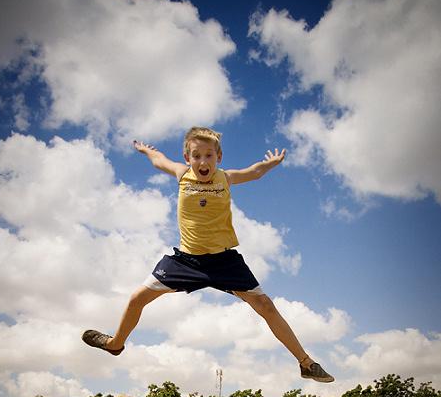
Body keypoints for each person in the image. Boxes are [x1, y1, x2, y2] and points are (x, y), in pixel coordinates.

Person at [82, 126, 334, 382]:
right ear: (187, 159)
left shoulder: (226, 178)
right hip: (186, 261)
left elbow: (254, 172)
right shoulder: (182, 175)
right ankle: (115, 344)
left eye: (209, 155)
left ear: (219, 157)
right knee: (137, 298)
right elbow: (160, 162)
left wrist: (270, 164)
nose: (203, 161)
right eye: (196, 156)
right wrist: (148, 150)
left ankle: (305, 363)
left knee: (265, 305)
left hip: (224, 261)